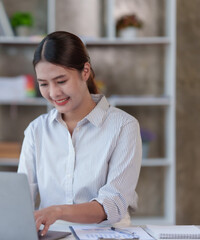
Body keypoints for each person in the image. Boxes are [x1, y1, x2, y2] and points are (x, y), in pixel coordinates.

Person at [17, 31, 142, 236]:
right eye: (43, 84)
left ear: (85, 71)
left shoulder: (123, 126)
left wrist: (58, 211)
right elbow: (21, 199)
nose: (54, 93)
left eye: (61, 80)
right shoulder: (36, 130)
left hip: (107, 234)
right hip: (51, 235)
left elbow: (113, 204)